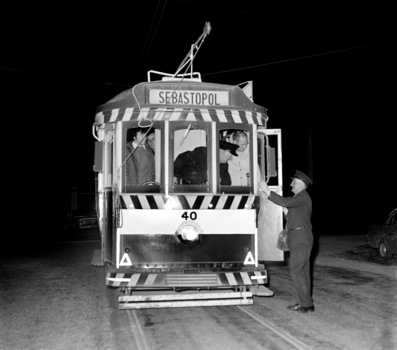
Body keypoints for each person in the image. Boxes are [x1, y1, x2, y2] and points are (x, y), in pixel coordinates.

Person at [259, 170, 314, 313]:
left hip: (300, 238)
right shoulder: (301, 200)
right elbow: (290, 214)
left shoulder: (303, 197)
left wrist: (267, 190)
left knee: (297, 271)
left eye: (294, 182)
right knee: (303, 271)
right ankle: (306, 303)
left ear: (301, 184)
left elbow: (285, 201)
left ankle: (305, 305)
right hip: (300, 237)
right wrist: (279, 206)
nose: (291, 184)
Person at [174, 140, 239, 185]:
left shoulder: (224, 165)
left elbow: (227, 183)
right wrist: (205, 175)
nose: (231, 158)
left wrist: (219, 180)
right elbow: (176, 169)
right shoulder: (199, 154)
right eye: (230, 155)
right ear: (223, 151)